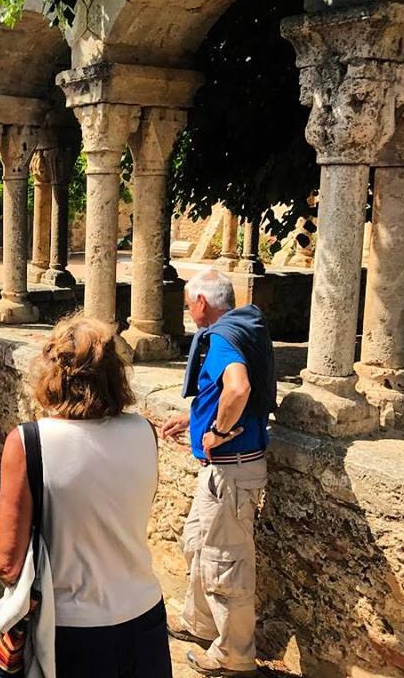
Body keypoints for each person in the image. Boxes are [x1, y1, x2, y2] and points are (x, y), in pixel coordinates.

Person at [0, 315, 172, 678]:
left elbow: (6, 563)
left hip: (71, 628)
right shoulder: (144, 431)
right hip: (144, 614)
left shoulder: (29, 443)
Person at [161, 270, 275, 677]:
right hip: (225, 471)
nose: (188, 311)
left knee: (227, 563)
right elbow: (221, 392)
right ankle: (199, 623)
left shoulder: (223, 338)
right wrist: (192, 420)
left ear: (202, 303)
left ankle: (234, 656)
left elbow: (238, 389)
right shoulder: (239, 328)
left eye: (189, 303)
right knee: (199, 545)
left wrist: (218, 432)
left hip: (232, 470)